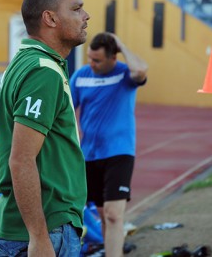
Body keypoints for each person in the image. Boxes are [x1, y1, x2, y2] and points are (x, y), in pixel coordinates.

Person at [0, 0, 90, 257]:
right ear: (50, 18)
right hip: (45, 230)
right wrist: (39, 237)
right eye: (77, 9)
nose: (86, 16)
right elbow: (21, 159)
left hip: (34, 227)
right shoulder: (42, 71)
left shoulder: (24, 63)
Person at [70, 32, 148, 257]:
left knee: (114, 215)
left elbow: (141, 69)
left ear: (113, 58)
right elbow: (67, 111)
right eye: (89, 58)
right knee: (104, 215)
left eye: (97, 60)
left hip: (119, 153)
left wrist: (121, 44)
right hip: (88, 156)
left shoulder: (125, 74)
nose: (91, 64)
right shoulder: (81, 76)